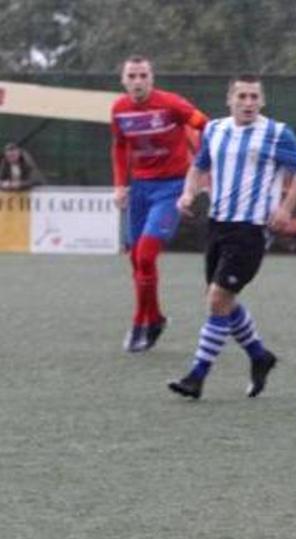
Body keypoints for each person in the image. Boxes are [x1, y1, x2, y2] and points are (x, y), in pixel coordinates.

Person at [165, 75, 296, 400]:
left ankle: (196, 376)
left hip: (251, 230)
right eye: (242, 96)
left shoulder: (275, 133)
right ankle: (260, 356)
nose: (248, 103)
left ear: (262, 101)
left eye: (254, 97)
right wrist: (188, 194)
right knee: (221, 300)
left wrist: (286, 207)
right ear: (229, 99)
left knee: (218, 300)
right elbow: (199, 166)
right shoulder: (215, 130)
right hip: (218, 224)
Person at [111, 55, 209, 352]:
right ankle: (155, 318)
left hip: (171, 188)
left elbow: (205, 124)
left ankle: (140, 321)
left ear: (151, 78)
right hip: (140, 189)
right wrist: (119, 185)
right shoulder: (119, 109)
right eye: (132, 76)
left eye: (143, 75)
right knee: (135, 259)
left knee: (145, 255)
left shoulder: (171, 104)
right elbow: (118, 145)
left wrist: (202, 168)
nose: (138, 81)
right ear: (123, 80)